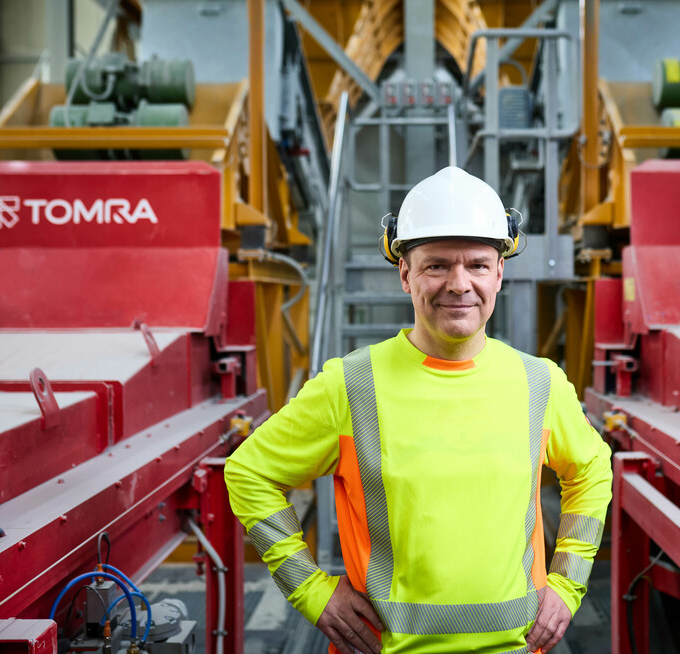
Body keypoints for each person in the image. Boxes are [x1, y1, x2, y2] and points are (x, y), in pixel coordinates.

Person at [225, 166, 613, 654]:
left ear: (499, 273)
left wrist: (567, 582)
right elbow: (249, 473)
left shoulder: (540, 383)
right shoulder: (351, 384)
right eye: (436, 265)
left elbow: (593, 469)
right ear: (405, 274)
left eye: (476, 264)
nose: (458, 283)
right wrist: (309, 588)